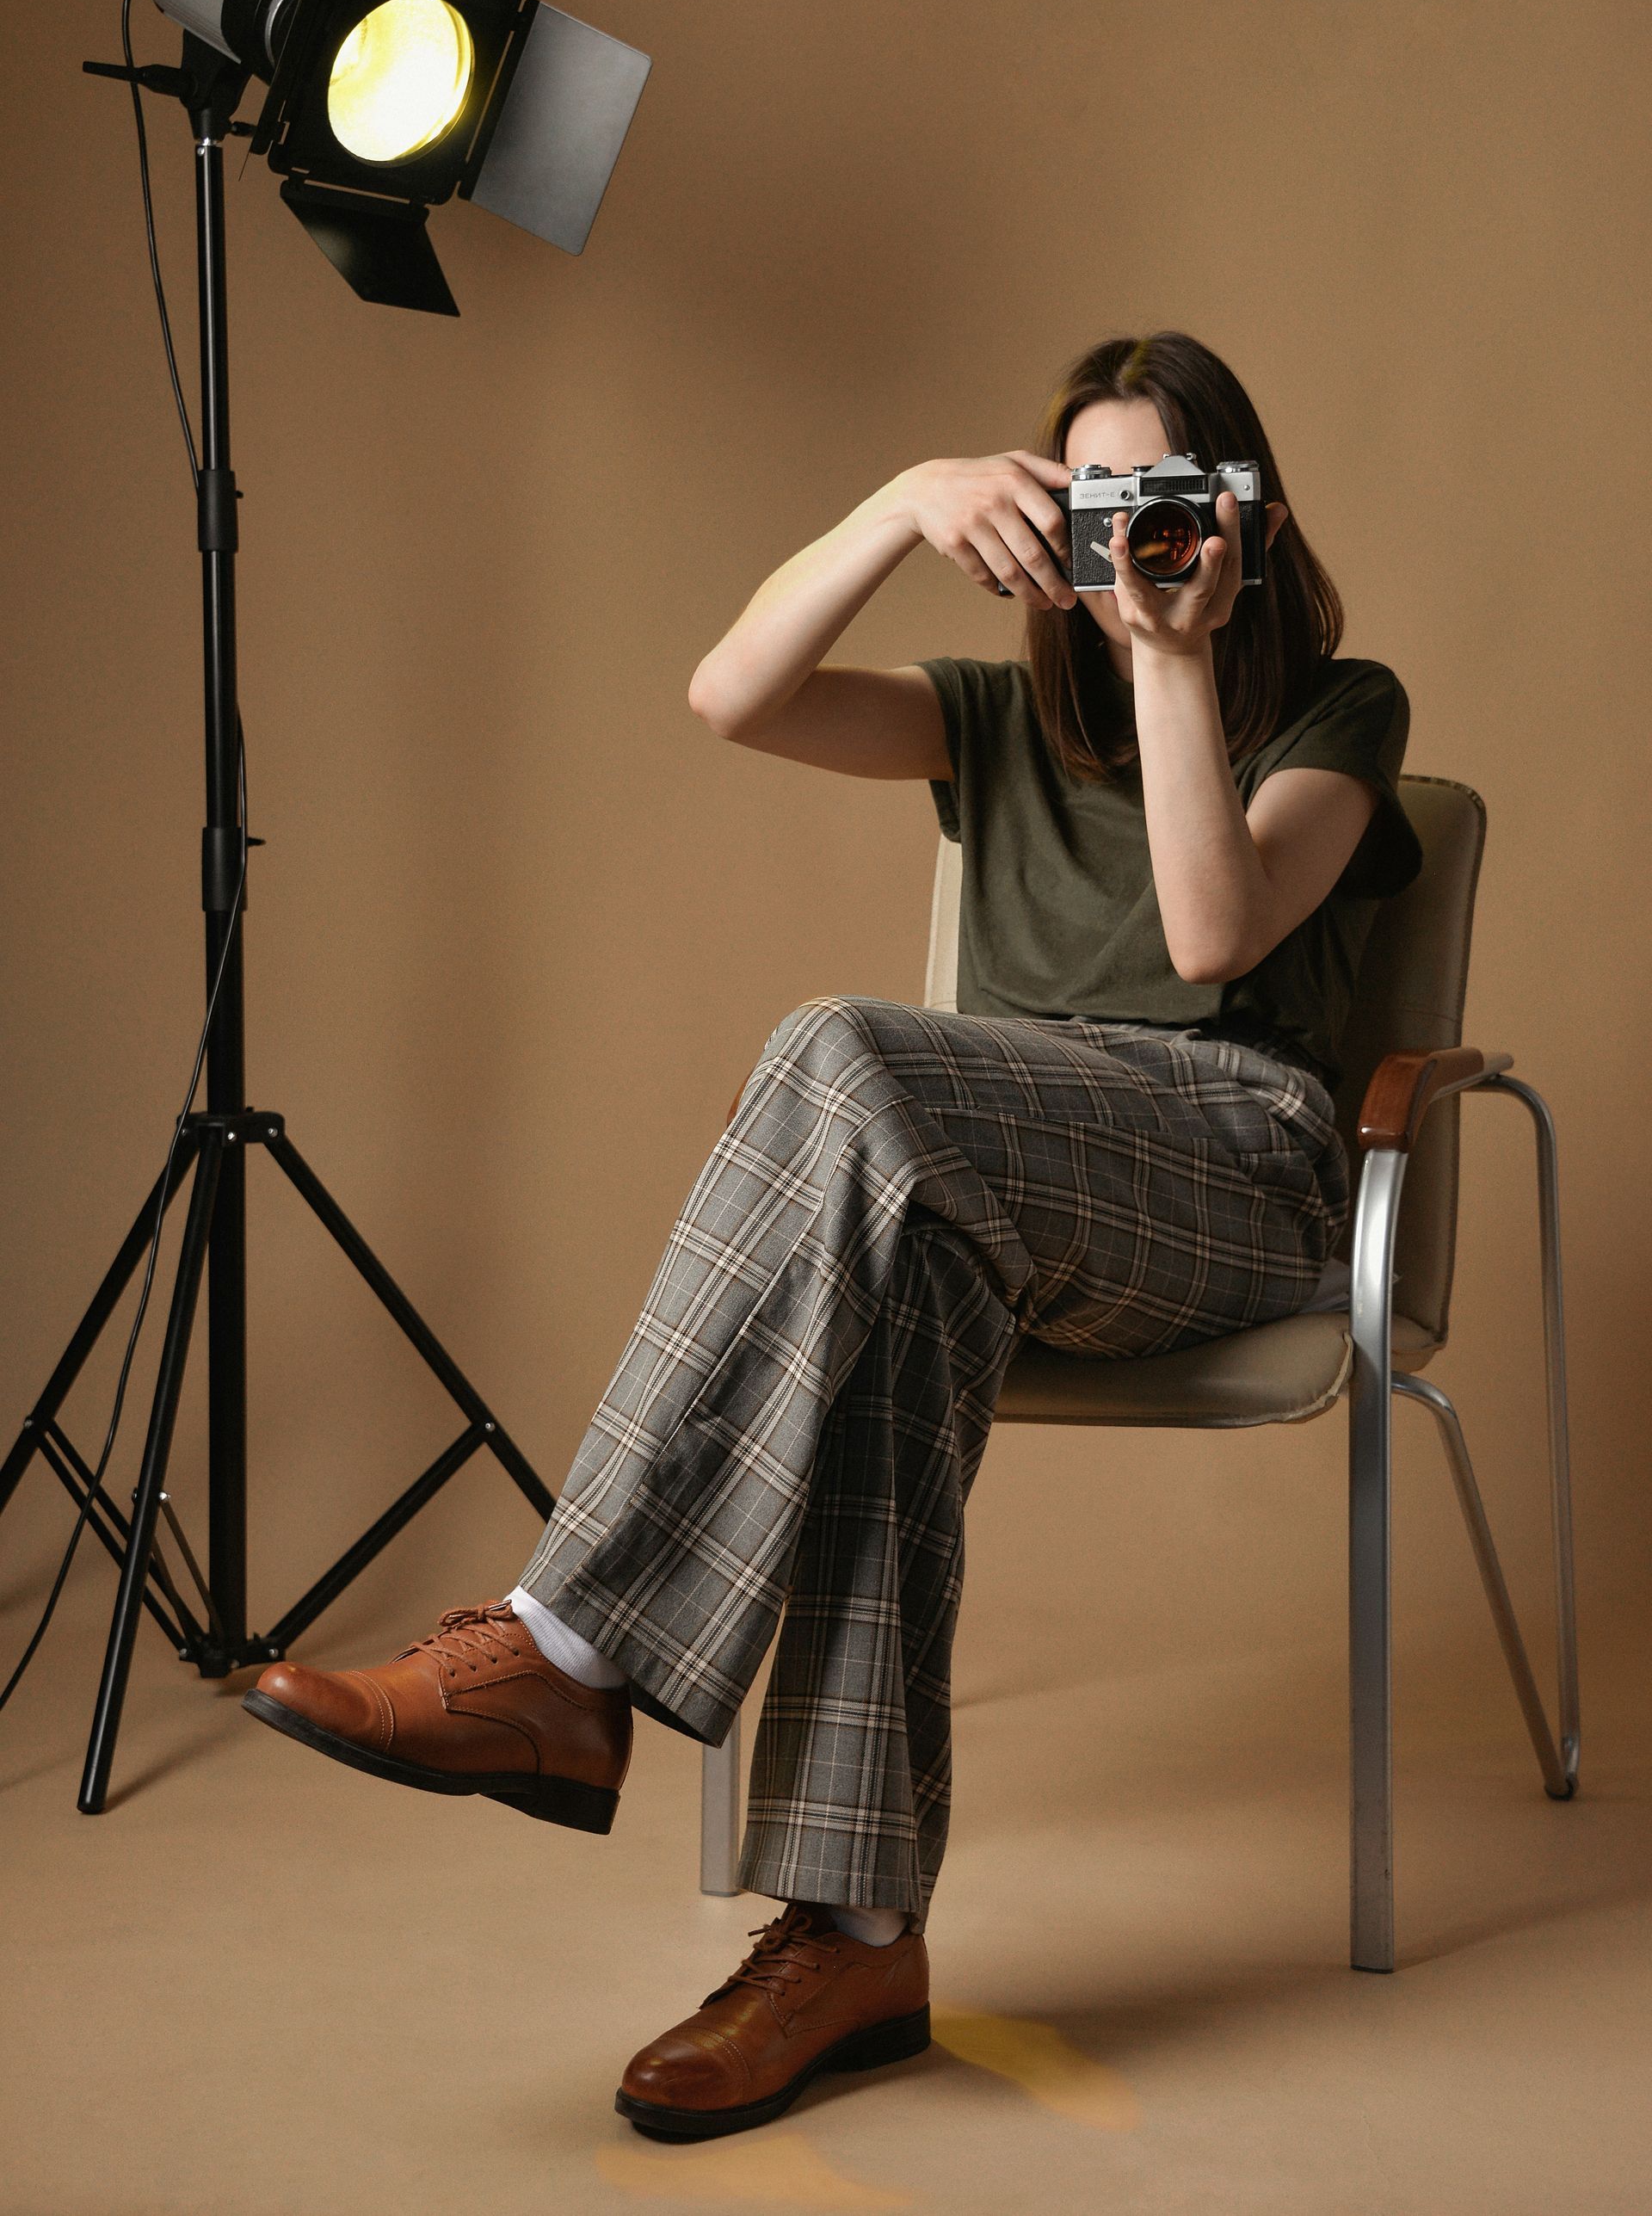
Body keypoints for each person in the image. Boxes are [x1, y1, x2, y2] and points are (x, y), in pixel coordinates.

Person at [243, 329, 1421, 2139]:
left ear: (1245, 517)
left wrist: (1176, 657)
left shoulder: (1341, 709)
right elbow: (731, 693)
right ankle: (856, 1932)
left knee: (838, 1048)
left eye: (1170, 502)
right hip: (990, 1187)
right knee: (909, 1277)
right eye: (1095, 503)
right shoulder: (991, 719)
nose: (1133, 540)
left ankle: (567, 1654)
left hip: (1236, 1173)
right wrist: (896, 500)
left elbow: (1210, 937)